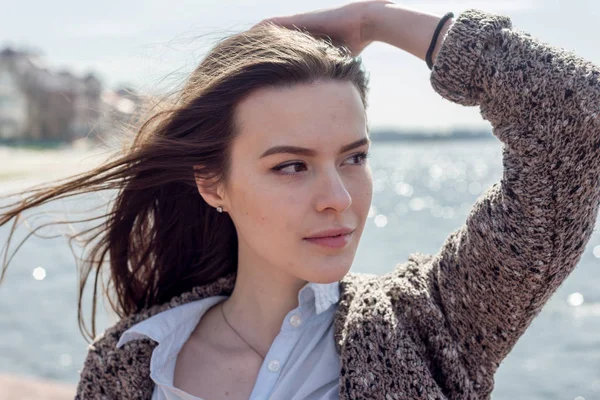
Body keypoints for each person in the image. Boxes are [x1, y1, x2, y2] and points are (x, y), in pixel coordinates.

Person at [1, 0, 599, 399]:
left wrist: (376, 21)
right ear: (213, 184)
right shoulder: (130, 366)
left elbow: (576, 119)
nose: (338, 198)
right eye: (291, 166)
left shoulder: (431, 327)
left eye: (354, 157)